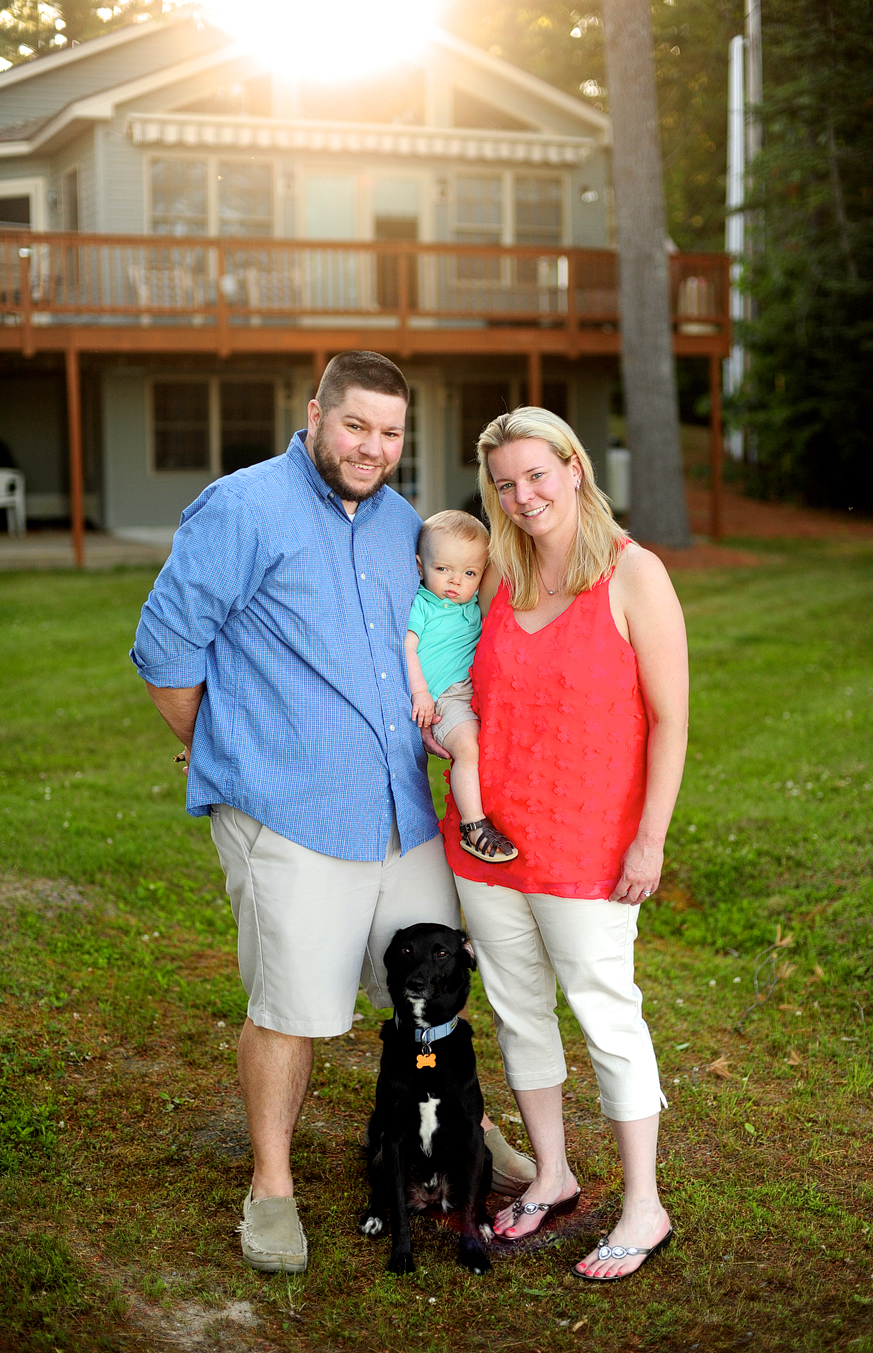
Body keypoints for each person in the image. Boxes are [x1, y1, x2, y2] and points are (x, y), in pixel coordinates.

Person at [130, 351, 533, 1275]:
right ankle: (271, 1187)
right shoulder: (244, 507)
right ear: (315, 412)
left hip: (401, 808)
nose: (373, 447)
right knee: (294, 1005)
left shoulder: (402, 524)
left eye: (391, 433)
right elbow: (164, 646)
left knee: (433, 985)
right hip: (290, 811)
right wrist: (224, 751)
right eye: (356, 425)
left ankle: (461, 1125)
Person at [440, 406, 689, 1282]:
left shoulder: (633, 574)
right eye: (504, 482)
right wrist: (447, 720)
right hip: (487, 843)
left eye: (536, 474)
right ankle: (551, 1173)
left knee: (606, 1012)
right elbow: (459, 678)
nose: (522, 495)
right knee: (516, 1008)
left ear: (575, 468)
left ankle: (643, 1203)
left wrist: (649, 839)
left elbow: (670, 718)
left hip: (588, 843)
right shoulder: (495, 576)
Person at [405, 509, 517, 864]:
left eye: (469, 573)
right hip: (444, 696)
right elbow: (405, 647)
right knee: (468, 749)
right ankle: (473, 827)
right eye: (444, 569)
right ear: (420, 566)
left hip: (475, 690)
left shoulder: (471, 605)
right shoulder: (421, 605)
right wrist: (420, 692)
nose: (455, 582)